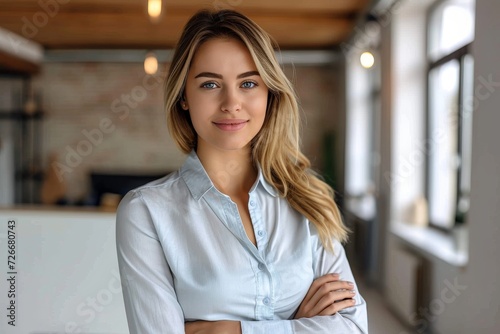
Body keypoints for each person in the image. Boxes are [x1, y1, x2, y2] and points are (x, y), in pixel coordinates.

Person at [116, 8, 368, 334]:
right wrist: (297, 324)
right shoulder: (146, 212)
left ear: (269, 93)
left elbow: (353, 328)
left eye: (248, 83)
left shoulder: (308, 199)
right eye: (210, 85)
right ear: (183, 97)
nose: (231, 103)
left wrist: (224, 330)